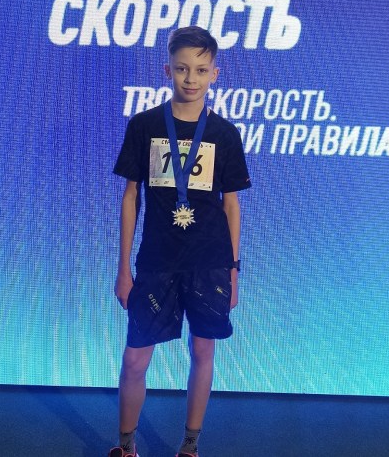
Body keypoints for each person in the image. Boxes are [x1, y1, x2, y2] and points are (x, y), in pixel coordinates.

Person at [110, 26, 251, 457]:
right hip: (156, 261)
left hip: (209, 262)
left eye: (201, 70)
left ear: (215, 74)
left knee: (203, 350)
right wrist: (123, 268)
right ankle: (126, 447)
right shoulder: (145, 125)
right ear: (167, 69)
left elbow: (231, 206)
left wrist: (233, 271)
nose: (191, 78)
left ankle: (190, 446)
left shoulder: (224, 133)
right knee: (135, 358)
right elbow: (131, 197)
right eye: (183, 69)